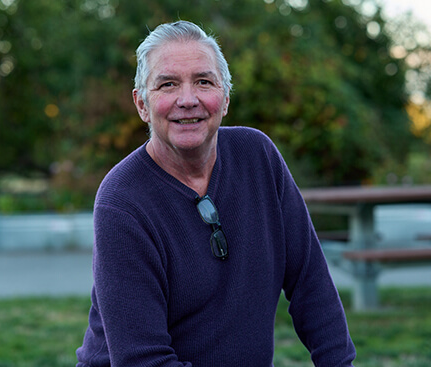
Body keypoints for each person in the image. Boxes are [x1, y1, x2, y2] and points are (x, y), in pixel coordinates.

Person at [76, 20, 356, 367]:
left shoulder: (259, 157)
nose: (188, 100)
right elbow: (142, 360)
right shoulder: (122, 201)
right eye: (167, 84)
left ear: (224, 98)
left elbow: (310, 284)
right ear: (142, 104)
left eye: (204, 82)